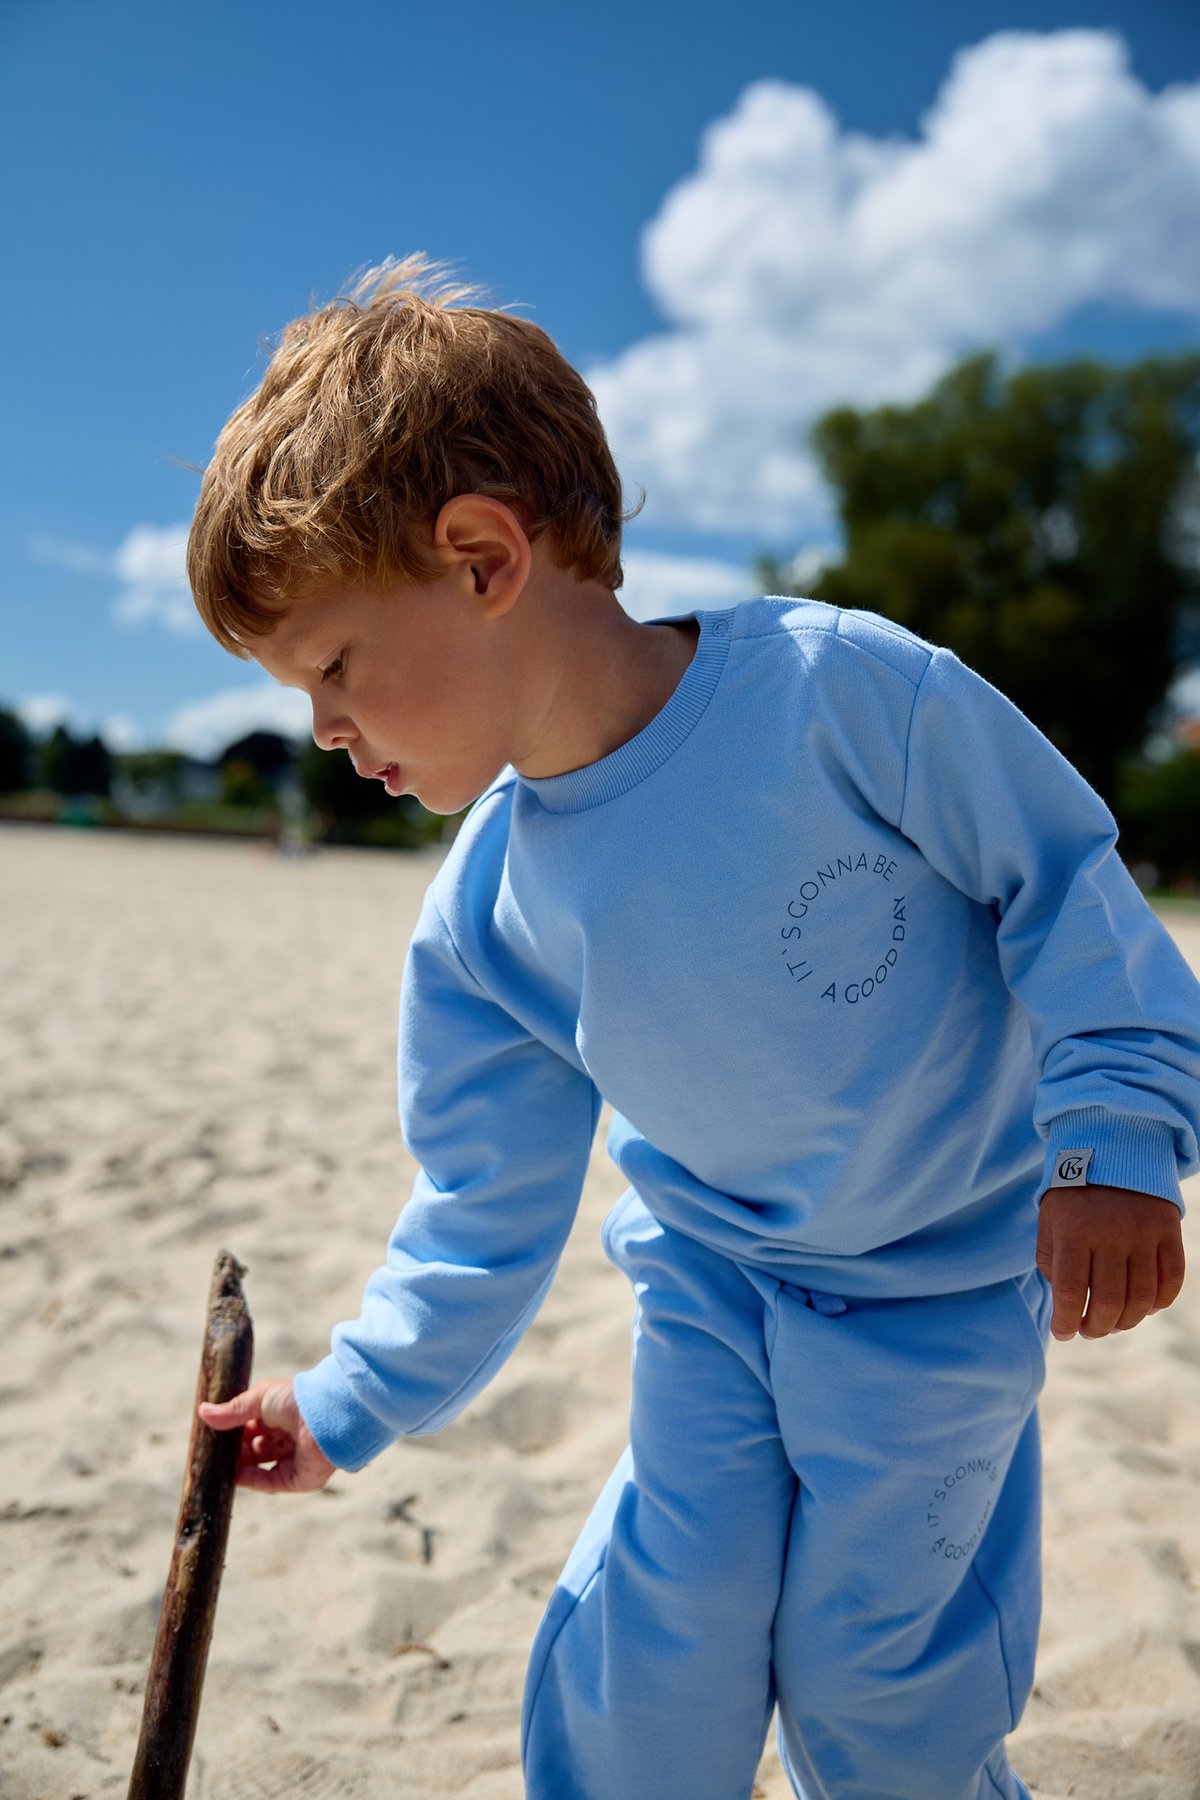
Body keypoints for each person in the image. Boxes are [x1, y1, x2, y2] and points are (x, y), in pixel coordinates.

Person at [189, 257, 1199, 1800]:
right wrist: (344, 1408)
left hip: (944, 1292)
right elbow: (481, 1210)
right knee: (668, 1636)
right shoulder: (483, 919)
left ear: (481, 559)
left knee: (879, 1687)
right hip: (716, 1291)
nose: (324, 728)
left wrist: (1116, 1139)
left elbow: (1062, 887)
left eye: (335, 668)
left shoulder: (844, 694)